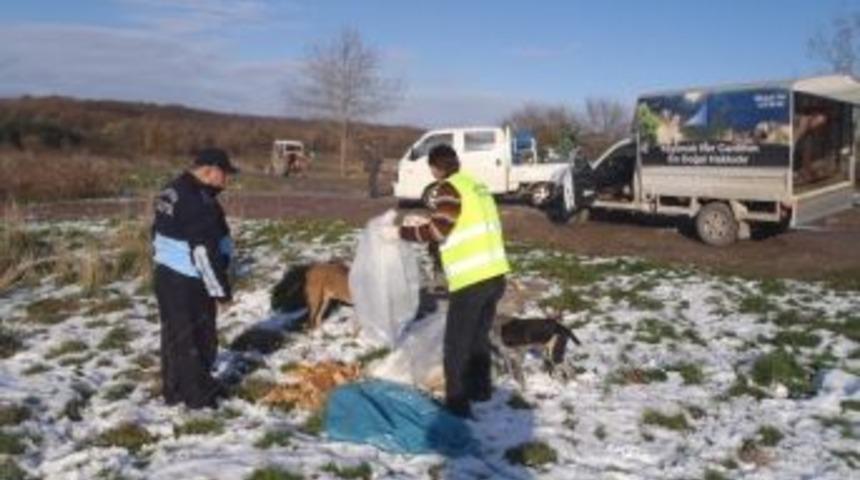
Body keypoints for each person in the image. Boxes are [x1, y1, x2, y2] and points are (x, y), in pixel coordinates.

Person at [382, 144, 510, 418]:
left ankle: (456, 403)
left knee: (456, 344)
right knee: (478, 337)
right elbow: (461, 220)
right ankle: (480, 390)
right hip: (495, 274)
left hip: (472, 278)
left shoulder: (448, 188)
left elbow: (439, 230)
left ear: (435, 168)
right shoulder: (476, 186)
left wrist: (402, 232)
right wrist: (426, 220)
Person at [151, 147, 238, 409]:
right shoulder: (196, 201)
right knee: (198, 339)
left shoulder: (173, 189)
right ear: (209, 171)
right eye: (225, 174)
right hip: (189, 279)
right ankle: (198, 397)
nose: (227, 180)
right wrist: (219, 291)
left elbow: (156, 230)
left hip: (167, 275)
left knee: (175, 335)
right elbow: (202, 252)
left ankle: (175, 389)